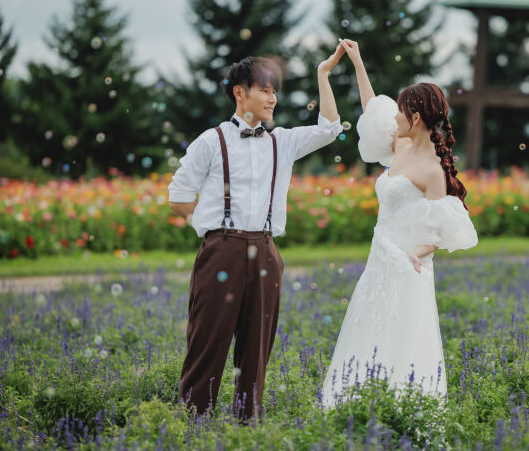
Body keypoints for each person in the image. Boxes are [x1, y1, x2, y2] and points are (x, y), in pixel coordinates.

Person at [169, 46, 346, 421]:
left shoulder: (283, 141)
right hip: (221, 250)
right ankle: (193, 423)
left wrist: (323, 74)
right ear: (239, 92)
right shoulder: (211, 140)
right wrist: (210, 228)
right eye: (265, 90)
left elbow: (330, 128)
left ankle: (247, 425)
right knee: (207, 341)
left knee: (257, 347)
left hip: (266, 251)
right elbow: (178, 196)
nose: (272, 99)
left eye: (274, 91)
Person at [321, 39, 478, 407]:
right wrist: (358, 62)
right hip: (379, 258)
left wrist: (415, 255)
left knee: (401, 335)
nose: (393, 118)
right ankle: (357, 405)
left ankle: (400, 409)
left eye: (401, 112)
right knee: (368, 327)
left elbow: (442, 227)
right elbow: (372, 109)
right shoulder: (400, 146)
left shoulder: (433, 170)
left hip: (406, 264)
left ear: (416, 118)